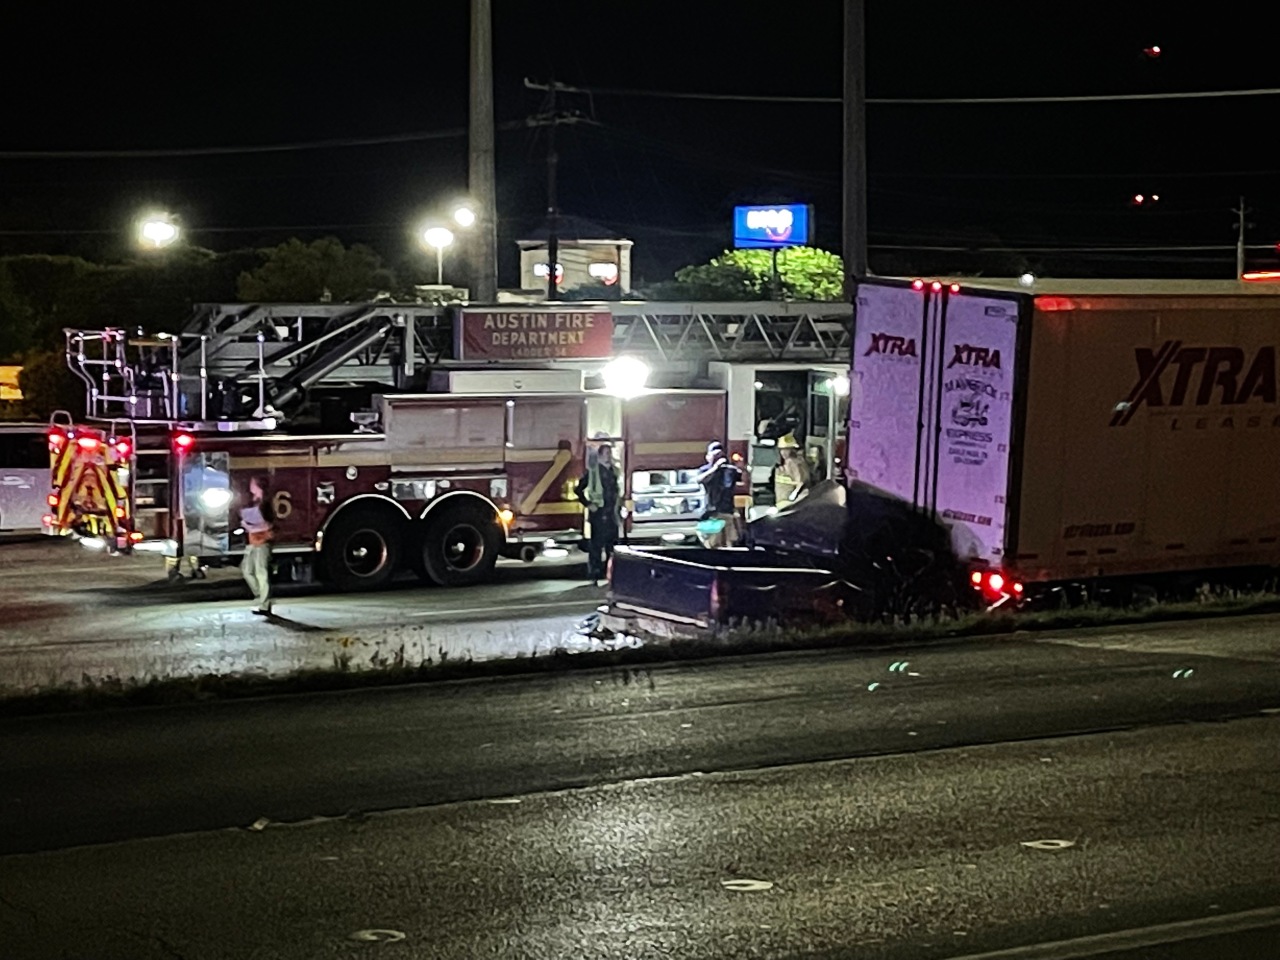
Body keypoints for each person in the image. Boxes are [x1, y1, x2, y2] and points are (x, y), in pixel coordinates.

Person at [575, 434, 621, 584]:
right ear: (600, 455)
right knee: (596, 547)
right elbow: (578, 490)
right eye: (607, 453)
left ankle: (610, 575)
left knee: (611, 547)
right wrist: (588, 504)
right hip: (599, 514)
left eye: (610, 453)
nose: (609, 456)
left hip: (612, 514)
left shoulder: (614, 471)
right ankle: (594, 575)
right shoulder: (593, 472)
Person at [694, 441, 744, 548]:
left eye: (720, 455)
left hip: (727, 511)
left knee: (730, 543)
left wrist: (742, 468)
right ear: (708, 457)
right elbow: (700, 480)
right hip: (712, 512)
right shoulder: (705, 470)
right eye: (715, 455)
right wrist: (715, 468)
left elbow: (743, 481)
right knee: (712, 543)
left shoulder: (730, 470)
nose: (718, 458)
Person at [240, 476, 275, 615]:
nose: (251, 486)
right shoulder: (254, 502)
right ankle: (260, 595)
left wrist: (250, 527)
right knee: (246, 570)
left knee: (261, 573)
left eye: (253, 484)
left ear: (258, 486)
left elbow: (269, 524)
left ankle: (265, 604)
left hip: (262, 542)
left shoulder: (265, 504)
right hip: (252, 541)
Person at [773, 433, 812, 507]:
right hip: (782, 503)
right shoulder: (783, 465)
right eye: (782, 450)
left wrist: (793, 496)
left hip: (789, 504)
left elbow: (801, 482)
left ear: (792, 450)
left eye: (787, 449)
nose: (783, 452)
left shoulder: (793, 463)